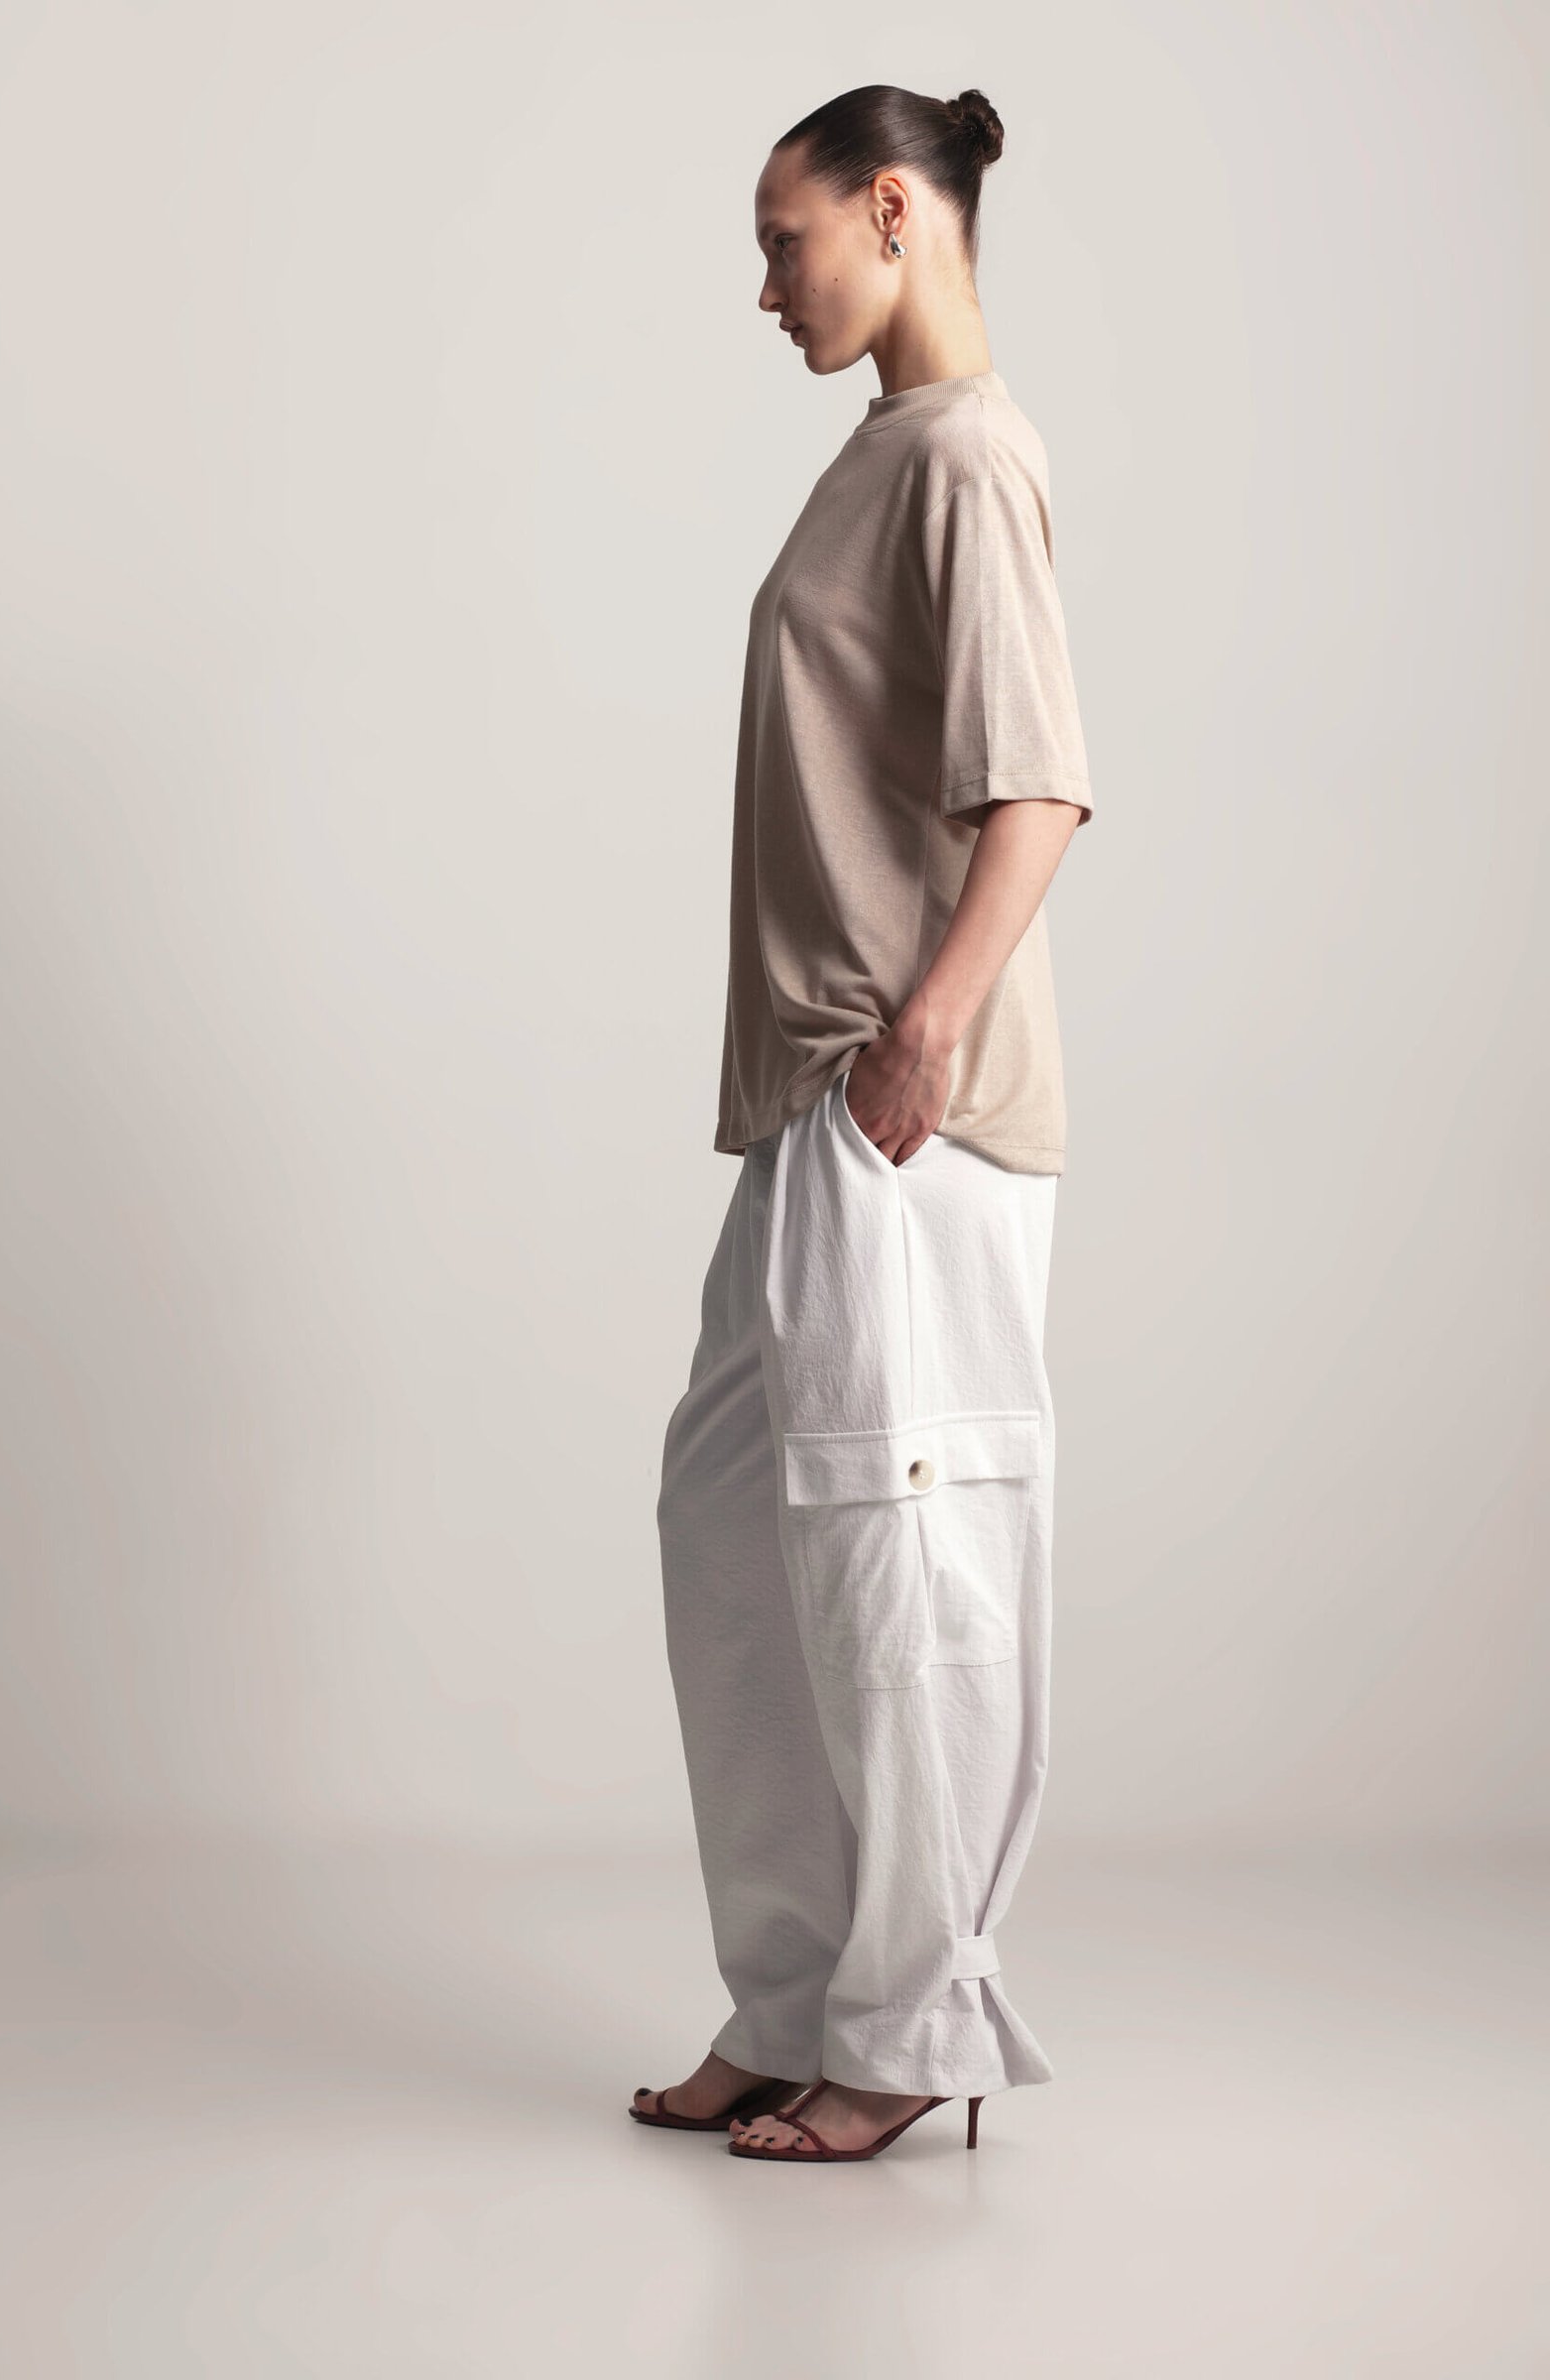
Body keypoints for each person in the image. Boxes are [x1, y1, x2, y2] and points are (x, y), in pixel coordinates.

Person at [630, 81, 1095, 2164]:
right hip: (819, 1106)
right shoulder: (886, 454)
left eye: (783, 238)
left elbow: (1037, 787)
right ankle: (795, 1993)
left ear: (892, 209)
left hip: (904, 1112)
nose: (764, 287)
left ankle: (907, 2033)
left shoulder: (968, 456)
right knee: (742, 1531)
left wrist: (925, 1038)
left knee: (899, 1559)